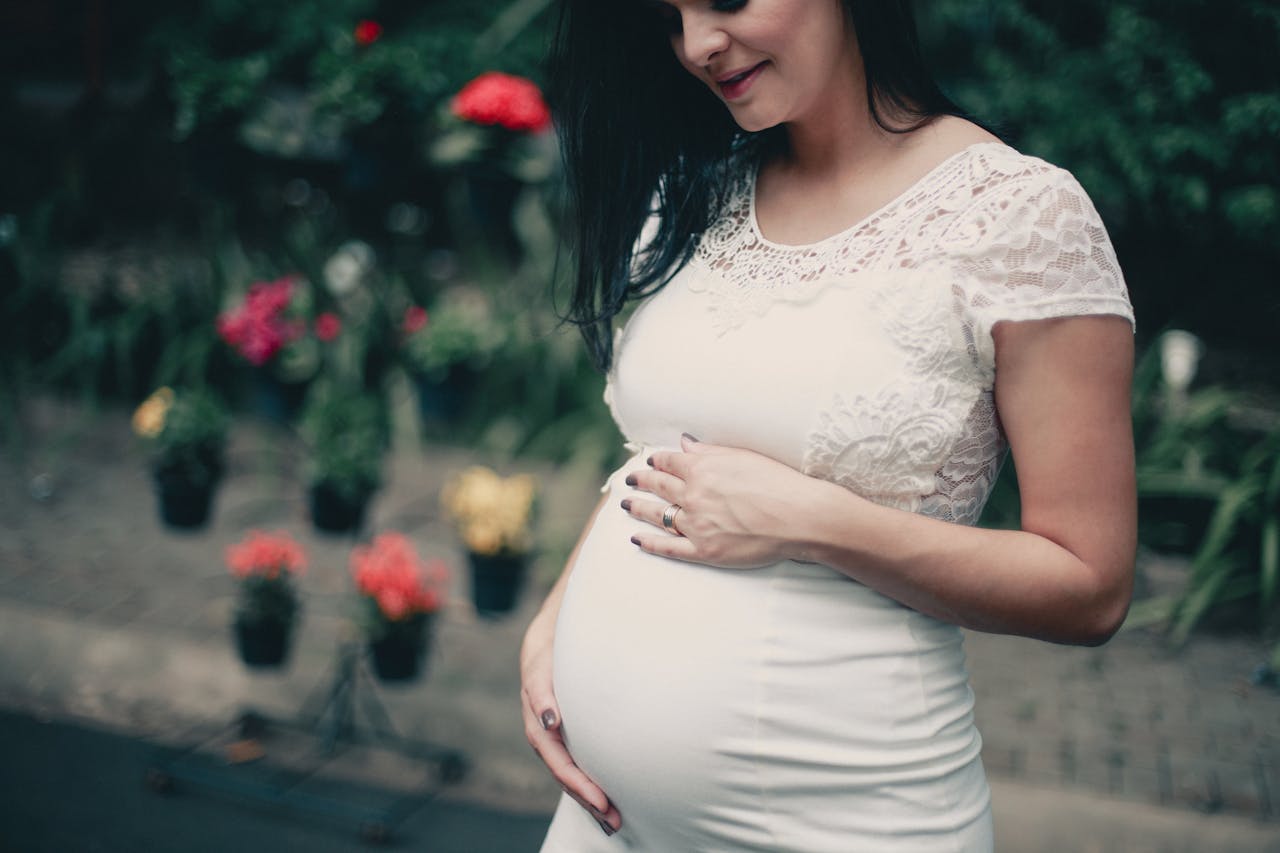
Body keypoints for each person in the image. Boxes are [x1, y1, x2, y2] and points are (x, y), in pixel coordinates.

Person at [521, 0, 1136, 849]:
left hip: (844, 817)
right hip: (606, 825)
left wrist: (810, 521)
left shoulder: (1020, 217)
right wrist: (555, 619)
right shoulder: (701, 187)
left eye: (727, 1)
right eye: (669, 16)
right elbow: (658, 455)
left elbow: (1091, 585)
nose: (698, 45)